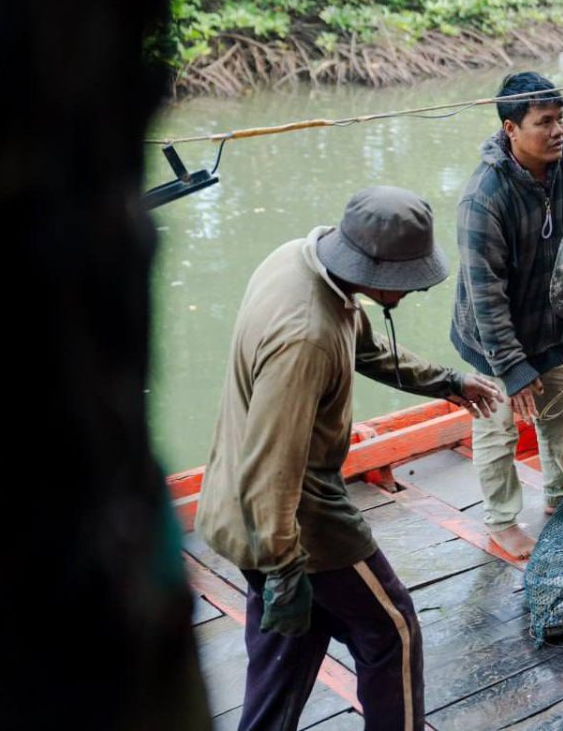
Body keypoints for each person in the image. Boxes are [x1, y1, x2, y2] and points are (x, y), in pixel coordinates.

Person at [196, 186, 502, 731]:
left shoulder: (299, 263)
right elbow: (274, 465)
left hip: (234, 507)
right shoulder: (305, 338)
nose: (412, 289)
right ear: (374, 270)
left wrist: (448, 382)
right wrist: (284, 568)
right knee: (392, 632)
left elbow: (364, 344)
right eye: (407, 279)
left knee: (287, 655)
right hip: (296, 521)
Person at [450, 71, 563, 559]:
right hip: (491, 340)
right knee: (498, 426)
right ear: (511, 129)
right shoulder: (484, 197)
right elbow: (485, 295)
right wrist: (511, 368)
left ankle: (558, 492)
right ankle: (502, 519)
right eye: (544, 122)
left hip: (552, 323)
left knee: (559, 410)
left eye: (560, 119)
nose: (557, 130)